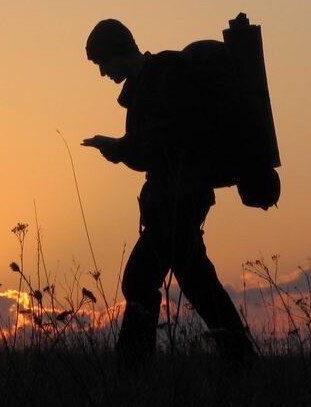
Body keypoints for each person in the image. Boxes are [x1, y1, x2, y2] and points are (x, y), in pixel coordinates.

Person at [81, 19, 256, 366]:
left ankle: (132, 370)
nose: (103, 73)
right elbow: (151, 148)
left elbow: (166, 140)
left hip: (178, 200)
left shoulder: (165, 77)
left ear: (119, 51)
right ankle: (242, 360)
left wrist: (120, 148)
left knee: (139, 281)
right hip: (175, 199)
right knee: (197, 285)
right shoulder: (148, 84)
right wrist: (122, 150)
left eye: (103, 63)